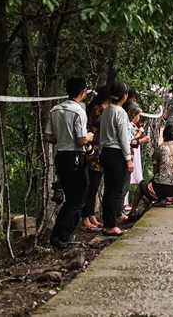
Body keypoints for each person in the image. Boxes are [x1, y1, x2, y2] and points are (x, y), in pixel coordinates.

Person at [44, 76, 95, 249]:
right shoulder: (78, 111)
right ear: (83, 92)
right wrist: (87, 137)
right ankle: (64, 236)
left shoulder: (55, 109)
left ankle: (57, 235)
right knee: (79, 199)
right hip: (75, 157)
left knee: (70, 198)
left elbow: (48, 136)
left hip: (61, 156)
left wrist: (62, 139)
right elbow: (81, 140)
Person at [130, 124, 173, 218]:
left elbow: (155, 171)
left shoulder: (161, 147)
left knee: (142, 184)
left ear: (164, 137)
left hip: (162, 189)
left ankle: (133, 211)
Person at [98, 81, 134, 235]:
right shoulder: (120, 112)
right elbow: (123, 137)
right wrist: (128, 159)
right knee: (115, 190)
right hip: (116, 153)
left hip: (105, 151)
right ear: (124, 96)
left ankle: (112, 218)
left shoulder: (106, 110)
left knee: (110, 190)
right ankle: (110, 224)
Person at [82, 85, 109, 232]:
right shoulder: (99, 110)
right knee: (91, 186)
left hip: (100, 150)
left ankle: (91, 215)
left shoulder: (102, 109)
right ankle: (85, 217)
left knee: (95, 185)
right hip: (94, 152)